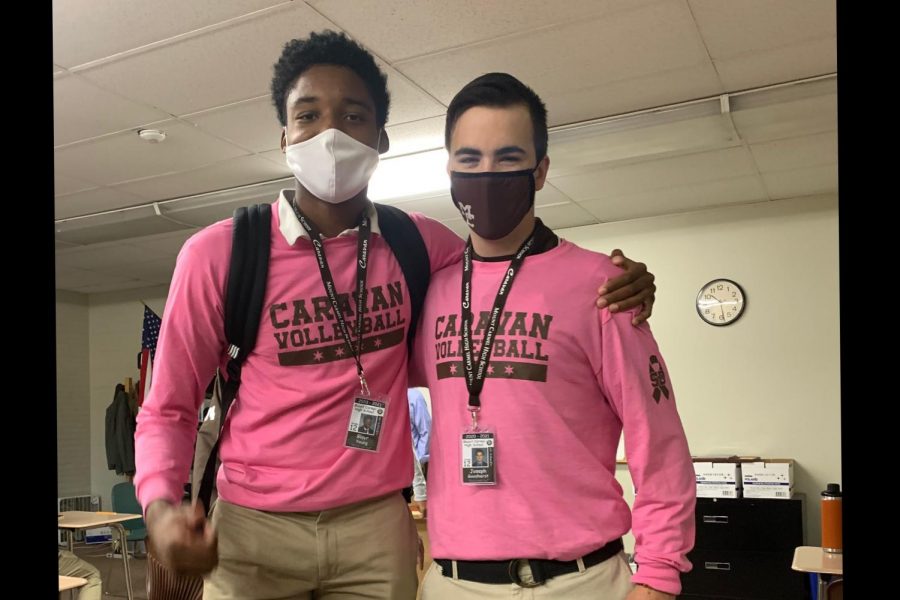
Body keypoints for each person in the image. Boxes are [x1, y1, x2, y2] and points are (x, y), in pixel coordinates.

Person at [135, 30, 658, 599]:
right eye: (309, 116)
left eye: (353, 116)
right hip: (254, 530)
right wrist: (160, 507)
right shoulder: (223, 254)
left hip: (376, 527)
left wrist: (619, 278)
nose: (330, 132)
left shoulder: (419, 244)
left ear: (381, 137)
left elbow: (513, 272)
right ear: (285, 137)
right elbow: (168, 408)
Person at [412, 73, 696, 600]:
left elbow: (657, 441)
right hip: (453, 584)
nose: (487, 173)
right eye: (469, 159)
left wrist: (658, 574)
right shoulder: (431, 287)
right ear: (449, 168)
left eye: (508, 157)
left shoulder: (602, 285)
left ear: (540, 171)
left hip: (582, 580)